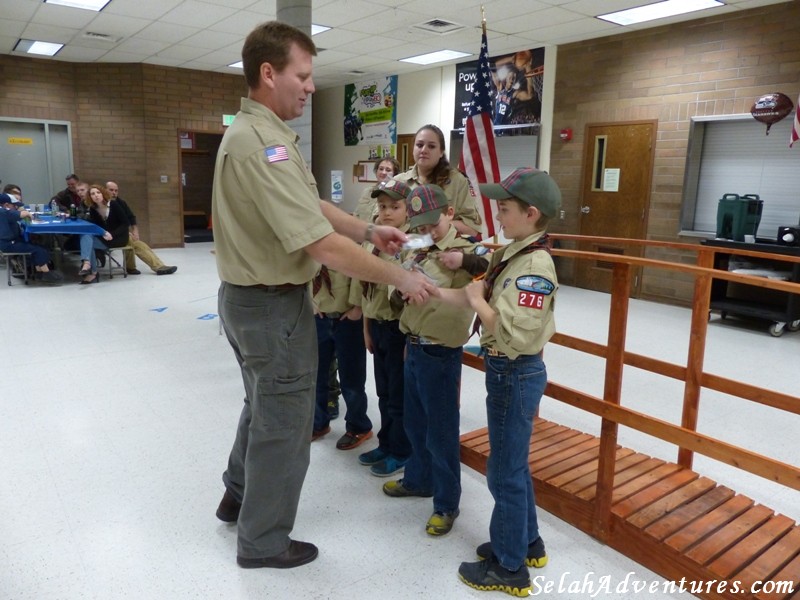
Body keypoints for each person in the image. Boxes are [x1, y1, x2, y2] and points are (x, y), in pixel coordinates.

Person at [212, 21, 433, 571]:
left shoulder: (261, 135)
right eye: (303, 76)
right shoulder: (260, 143)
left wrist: (367, 231)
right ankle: (262, 540)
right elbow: (320, 245)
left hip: (247, 300)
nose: (311, 88)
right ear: (269, 73)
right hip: (270, 306)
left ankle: (237, 494)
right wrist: (400, 276)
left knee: (260, 406)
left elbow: (312, 209)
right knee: (284, 424)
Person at [431, 168, 561, 596]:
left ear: (531, 213)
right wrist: (429, 289)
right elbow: (481, 296)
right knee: (514, 467)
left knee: (503, 474)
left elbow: (516, 332)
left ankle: (509, 569)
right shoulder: (516, 252)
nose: (498, 216)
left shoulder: (535, 265)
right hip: (507, 371)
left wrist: (472, 299)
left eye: (505, 209)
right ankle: (526, 543)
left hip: (514, 371)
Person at [382, 184, 489, 537]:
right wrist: (400, 289)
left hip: (441, 352)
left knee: (440, 432)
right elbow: (394, 280)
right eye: (420, 225)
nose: (427, 231)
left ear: (450, 214)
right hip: (413, 346)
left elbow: (487, 276)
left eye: (433, 224)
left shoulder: (464, 251)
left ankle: (446, 503)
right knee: (415, 424)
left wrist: (466, 262)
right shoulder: (417, 245)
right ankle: (418, 479)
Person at [356, 179, 414, 477]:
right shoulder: (372, 240)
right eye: (382, 206)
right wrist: (366, 329)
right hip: (376, 326)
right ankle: (386, 442)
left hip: (397, 330)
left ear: (408, 210)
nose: (387, 212)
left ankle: (402, 450)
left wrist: (406, 340)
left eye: (395, 207)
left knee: (398, 395)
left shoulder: (410, 245)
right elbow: (366, 289)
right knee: (383, 392)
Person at [394, 124, 482, 238]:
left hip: (445, 251)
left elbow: (472, 229)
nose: (424, 150)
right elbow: (378, 220)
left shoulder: (457, 181)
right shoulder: (398, 182)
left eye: (431, 146)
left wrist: (436, 224)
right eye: (419, 145)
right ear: (413, 149)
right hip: (405, 251)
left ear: (441, 152)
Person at [105, 181, 177, 276]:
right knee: (131, 241)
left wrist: (135, 231)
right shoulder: (101, 204)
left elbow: (131, 217)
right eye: (111, 190)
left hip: (121, 234)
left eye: (116, 191)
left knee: (139, 243)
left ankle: (156, 266)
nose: (114, 193)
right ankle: (138, 267)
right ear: (105, 190)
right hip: (108, 235)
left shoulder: (121, 203)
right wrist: (124, 232)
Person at [0, 187, 63, 284]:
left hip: (9, 241)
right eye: (14, 205)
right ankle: (46, 273)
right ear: (6, 205)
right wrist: (29, 214)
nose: (16, 207)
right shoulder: (4, 212)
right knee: (38, 249)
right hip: (8, 244)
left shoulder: (4, 212)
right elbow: (23, 213)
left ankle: (39, 272)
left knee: (37, 245)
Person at [76, 183, 131, 284]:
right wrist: (103, 233)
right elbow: (96, 226)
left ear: (103, 194)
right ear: (90, 197)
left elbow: (125, 223)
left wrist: (112, 234)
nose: (96, 195)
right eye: (92, 194)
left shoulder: (113, 205)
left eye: (98, 192)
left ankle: (91, 271)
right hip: (104, 237)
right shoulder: (93, 209)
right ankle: (88, 264)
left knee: (88, 241)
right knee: (86, 235)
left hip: (118, 238)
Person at [353, 156, 401, 223]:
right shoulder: (367, 192)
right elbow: (356, 215)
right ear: (376, 171)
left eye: (388, 170)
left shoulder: (396, 195)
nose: (383, 172)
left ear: (394, 174)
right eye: (381, 169)